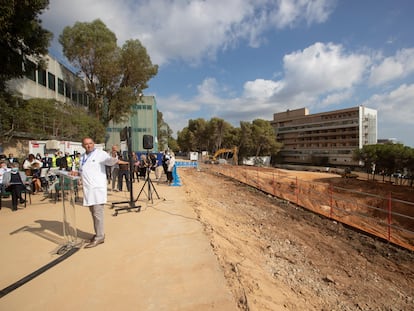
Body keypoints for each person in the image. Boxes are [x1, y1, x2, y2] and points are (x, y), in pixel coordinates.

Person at [70, 137, 126, 248]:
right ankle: (97, 234)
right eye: (86, 144)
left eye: (90, 143)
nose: (89, 145)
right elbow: (83, 171)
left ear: (93, 143)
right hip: (88, 189)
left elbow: (110, 161)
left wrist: (114, 153)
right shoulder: (82, 157)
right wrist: (76, 173)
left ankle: (100, 237)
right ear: (83, 146)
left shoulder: (100, 154)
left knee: (98, 213)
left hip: (97, 189)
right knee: (93, 213)